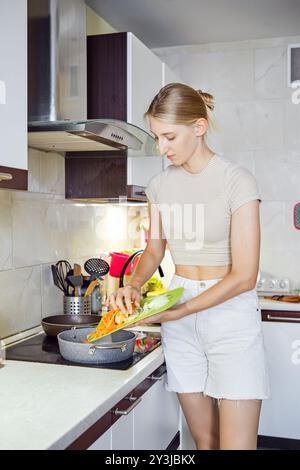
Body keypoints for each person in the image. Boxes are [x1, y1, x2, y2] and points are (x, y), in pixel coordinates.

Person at [107, 83, 270, 450]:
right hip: (181, 314)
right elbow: (153, 250)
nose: (162, 149)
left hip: (229, 314)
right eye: (155, 138)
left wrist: (178, 310)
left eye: (169, 136)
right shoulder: (159, 185)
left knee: (236, 446)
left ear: (199, 127)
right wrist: (132, 284)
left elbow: (244, 276)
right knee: (204, 439)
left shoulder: (236, 180)